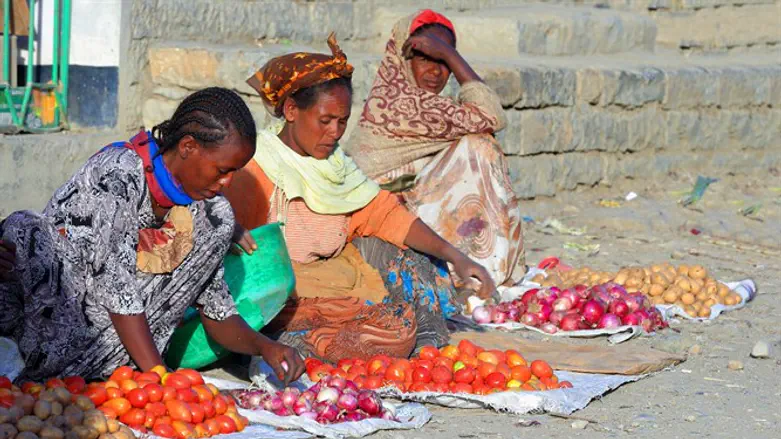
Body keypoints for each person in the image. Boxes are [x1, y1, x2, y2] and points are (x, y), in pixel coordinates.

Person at [0, 87, 304, 383]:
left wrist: (265, 347)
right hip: (43, 332)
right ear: (187, 147)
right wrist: (161, 380)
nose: (227, 182)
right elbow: (115, 287)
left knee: (220, 220)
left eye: (235, 172)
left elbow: (217, 311)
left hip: (108, 362)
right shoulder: (118, 175)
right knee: (24, 229)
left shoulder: (211, 214)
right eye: (222, 169)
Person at [224, 33, 495, 363]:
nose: (335, 133)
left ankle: (425, 342)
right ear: (292, 110)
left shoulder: (337, 167)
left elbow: (386, 215)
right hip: (280, 293)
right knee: (376, 334)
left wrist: (457, 256)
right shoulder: (255, 168)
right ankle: (280, 347)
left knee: (409, 260)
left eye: (342, 122)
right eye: (325, 121)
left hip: (337, 279)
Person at [346, 9, 525, 288]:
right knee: (480, 147)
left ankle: (472, 267)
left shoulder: (426, 106)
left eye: (443, 62)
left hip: (401, 219)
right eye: (424, 58)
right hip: (379, 228)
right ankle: (473, 269)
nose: (435, 71)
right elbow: (492, 114)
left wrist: (448, 54)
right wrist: (453, 57)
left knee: (474, 141)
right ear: (404, 61)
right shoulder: (401, 106)